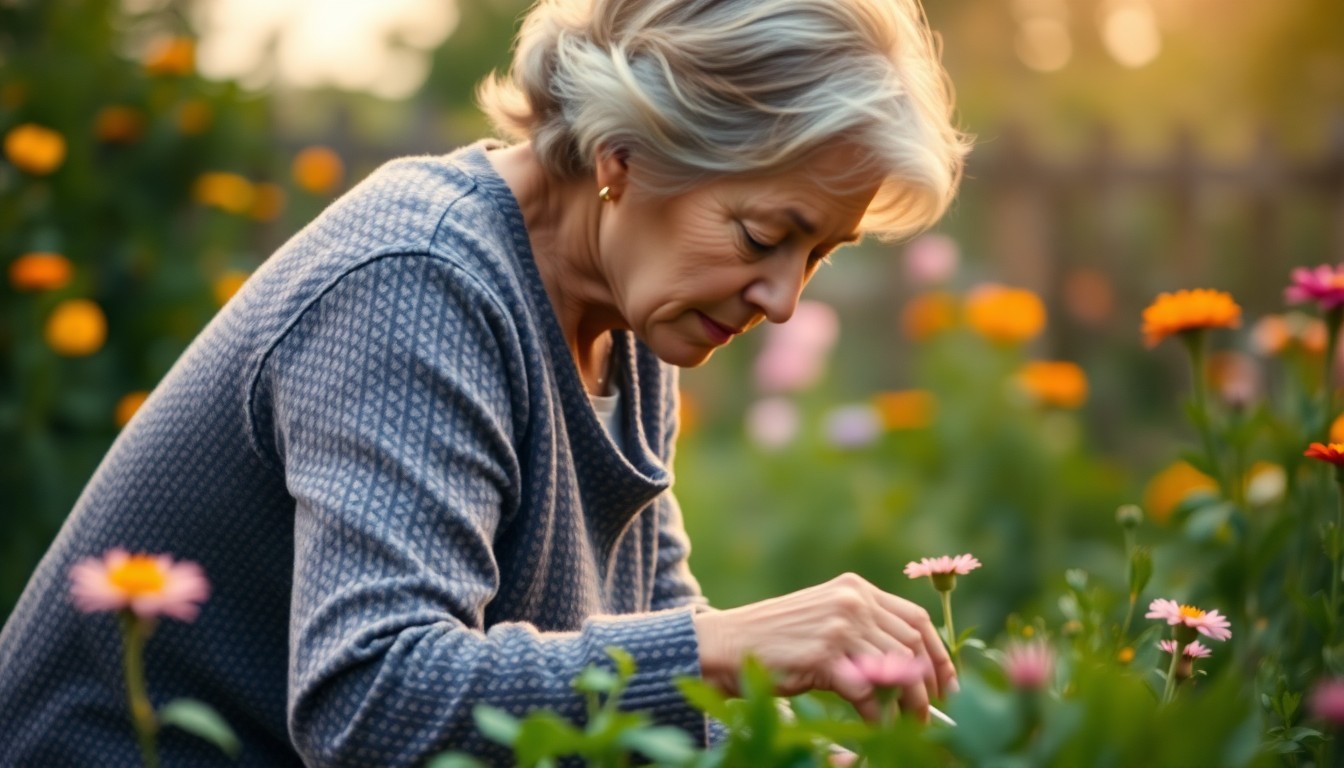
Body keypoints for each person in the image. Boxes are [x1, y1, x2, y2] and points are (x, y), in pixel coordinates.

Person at [0, 0, 970, 764]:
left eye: (818, 254)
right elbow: (369, 702)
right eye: (763, 236)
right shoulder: (418, 281)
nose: (784, 299)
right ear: (625, 153)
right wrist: (723, 648)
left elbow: (647, 659)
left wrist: (786, 752)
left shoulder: (633, 312)